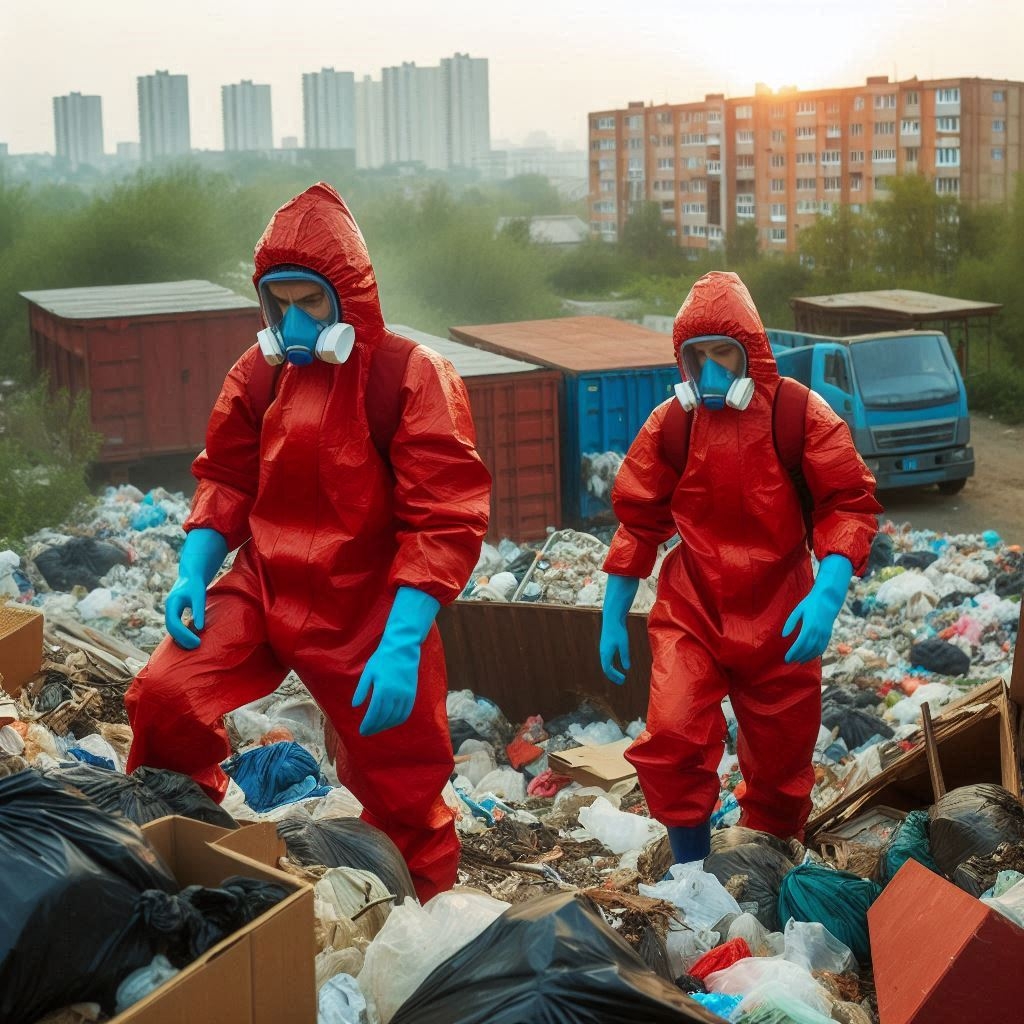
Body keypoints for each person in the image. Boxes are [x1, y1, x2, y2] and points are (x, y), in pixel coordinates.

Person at [124, 182, 492, 902]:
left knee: (404, 784)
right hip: (265, 585)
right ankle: (188, 843)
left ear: (347, 299)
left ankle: (420, 920)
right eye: (280, 302)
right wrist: (194, 570)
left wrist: (401, 641)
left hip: (368, 607)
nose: (294, 322)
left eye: (311, 302)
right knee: (166, 695)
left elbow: (444, 518)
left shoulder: (409, 376)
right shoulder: (260, 373)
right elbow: (226, 478)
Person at [599, 271, 881, 866]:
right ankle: (691, 875)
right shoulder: (673, 424)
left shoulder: (798, 414)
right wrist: (613, 612)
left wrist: (827, 593)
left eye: (722, 353)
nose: (710, 372)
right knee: (673, 733)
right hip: (694, 608)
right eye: (696, 356)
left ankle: (766, 866)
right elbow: (638, 518)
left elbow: (847, 503)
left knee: (782, 762)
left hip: (782, 611)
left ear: (750, 351)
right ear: (681, 359)